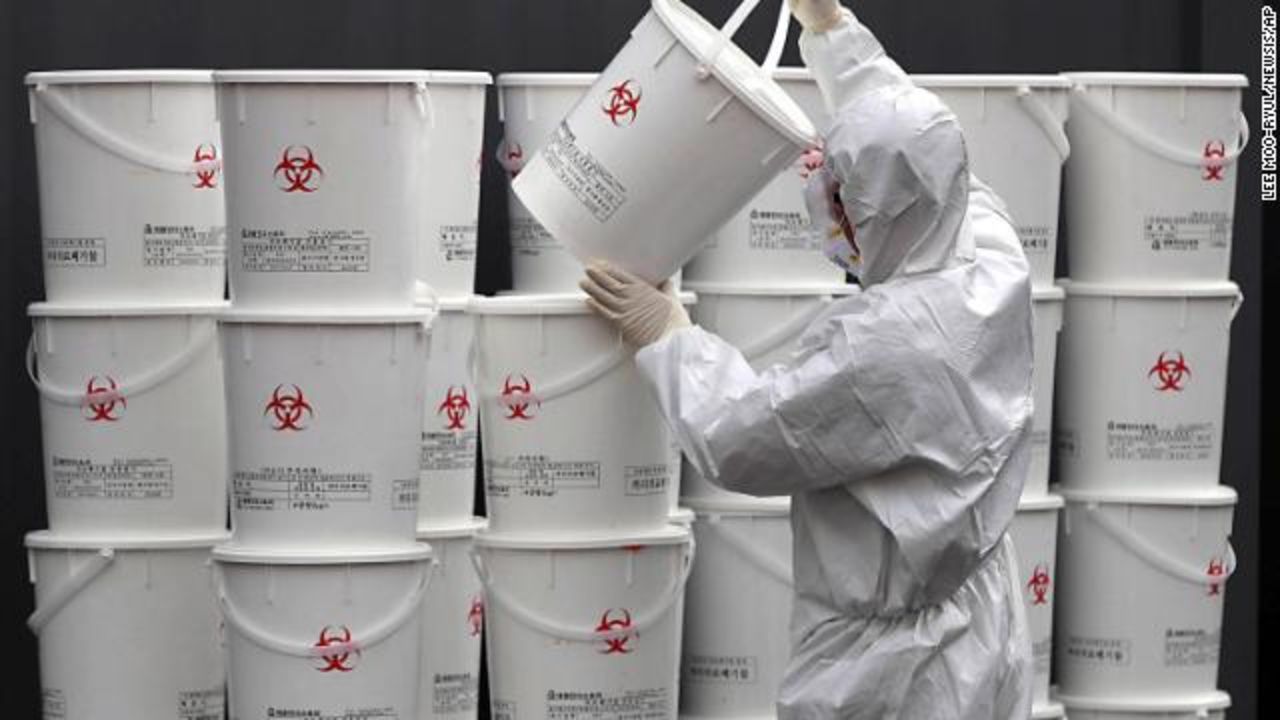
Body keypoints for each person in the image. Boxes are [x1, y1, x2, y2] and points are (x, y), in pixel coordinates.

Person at [578, 1, 1035, 718]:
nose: (832, 212)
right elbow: (913, 146)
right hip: (983, 622)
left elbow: (742, 436)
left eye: (844, 198)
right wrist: (832, 31)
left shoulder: (881, 347)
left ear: (882, 211)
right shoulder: (988, 248)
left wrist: (668, 335)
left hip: (891, 672)